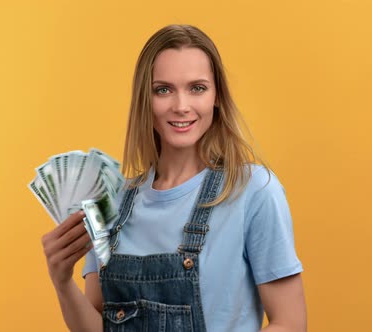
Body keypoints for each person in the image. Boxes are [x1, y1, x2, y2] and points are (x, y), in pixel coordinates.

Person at [41, 24, 306, 331]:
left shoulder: (253, 191)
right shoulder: (107, 203)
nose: (181, 106)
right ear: (145, 99)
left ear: (217, 96)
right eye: (163, 90)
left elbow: (290, 322)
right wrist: (62, 282)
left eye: (197, 88)